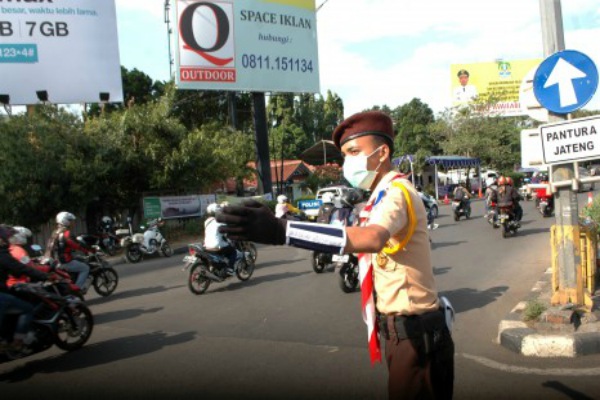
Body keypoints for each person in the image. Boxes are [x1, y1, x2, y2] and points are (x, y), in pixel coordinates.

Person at [217, 111, 454, 400]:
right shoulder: (379, 195)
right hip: (401, 332)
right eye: (344, 155)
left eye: (354, 152)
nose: (348, 162)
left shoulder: (396, 191)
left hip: (417, 335)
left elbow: (372, 238)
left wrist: (284, 231)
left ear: (382, 153)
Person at [0, 225, 52, 351]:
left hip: (10, 285)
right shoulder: (12, 251)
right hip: (16, 284)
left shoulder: (11, 251)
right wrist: (45, 275)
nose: (8, 240)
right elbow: (24, 268)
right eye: (7, 237)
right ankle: (18, 342)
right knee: (27, 308)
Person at [45, 212, 91, 292]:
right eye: (71, 220)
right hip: (64, 262)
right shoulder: (66, 233)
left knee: (77, 258)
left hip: (55, 261)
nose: (73, 223)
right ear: (65, 221)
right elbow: (76, 245)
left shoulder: (55, 232)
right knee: (85, 268)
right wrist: (88, 251)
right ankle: (77, 289)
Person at [203, 203, 237, 275]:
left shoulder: (207, 222)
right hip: (216, 246)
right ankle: (230, 269)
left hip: (207, 245)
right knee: (233, 251)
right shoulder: (220, 222)